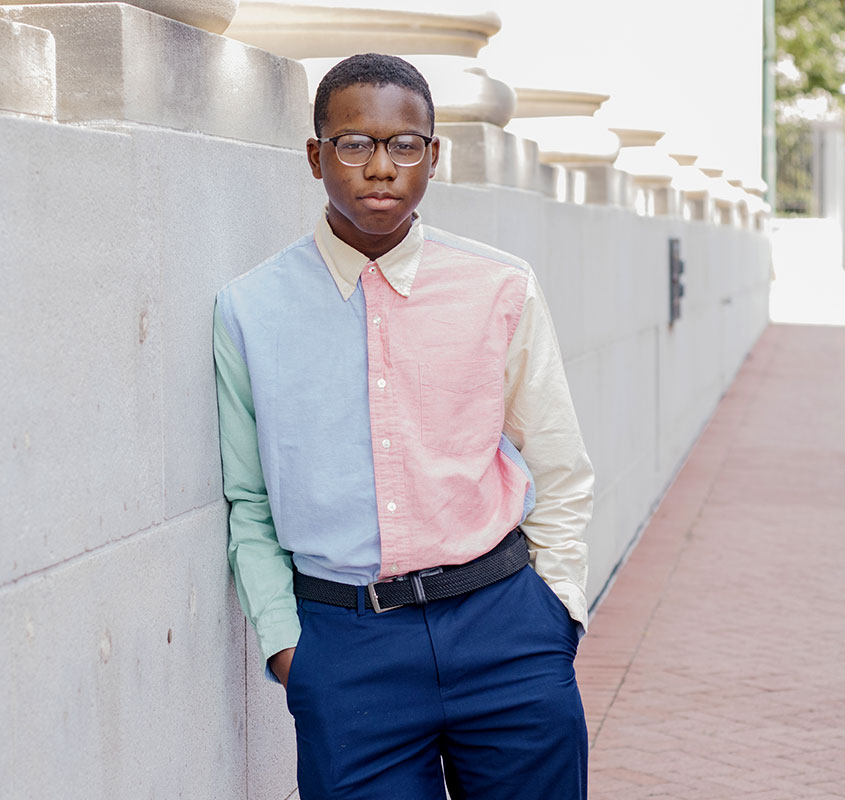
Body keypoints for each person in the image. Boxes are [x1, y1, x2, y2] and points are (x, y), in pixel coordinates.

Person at [213, 52, 595, 799]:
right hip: (346, 649)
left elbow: (558, 462)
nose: (380, 167)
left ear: (434, 156)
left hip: (506, 630)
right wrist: (289, 648)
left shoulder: (500, 287)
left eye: (404, 145)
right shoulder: (249, 310)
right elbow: (248, 499)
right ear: (316, 157)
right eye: (355, 144)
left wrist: (559, 613)